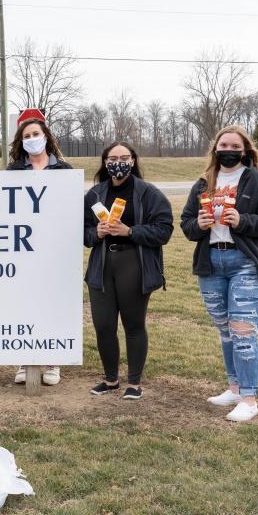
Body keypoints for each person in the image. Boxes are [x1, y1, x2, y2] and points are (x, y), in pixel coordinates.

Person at [180, 125, 258, 422]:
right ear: (215, 149)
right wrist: (198, 224)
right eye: (223, 145)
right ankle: (235, 388)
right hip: (212, 262)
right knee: (226, 331)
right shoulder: (204, 183)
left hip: (247, 262)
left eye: (234, 145)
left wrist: (243, 220)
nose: (228, 150)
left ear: (245, 150)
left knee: (242, 331)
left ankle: (250, 399)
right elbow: (186, 223)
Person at [84, 141, 173, 400]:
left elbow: (164, 229)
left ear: (133, 161)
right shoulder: (95, 194)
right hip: (102, 264)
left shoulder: (148, 192)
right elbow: (80, 230)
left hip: (134, 262)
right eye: (113, 158)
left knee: (133, 324)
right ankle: (110, 379)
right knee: (103, 325)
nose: (118, 162)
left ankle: (134, 382)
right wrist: (95, 233)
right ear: (105, 162)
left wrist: (130, 231)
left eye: (124, 157)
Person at [8, 108, 73, 386]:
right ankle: (24, 360)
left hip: (55, 248)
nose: (32, 139)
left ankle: (52, 362)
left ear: (45, 136)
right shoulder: (13, 171)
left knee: (53, 303)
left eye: (36, 134)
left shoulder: (64, 170)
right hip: (22, 247)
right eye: (27, 135)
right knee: (23, 302)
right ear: (20, 141)